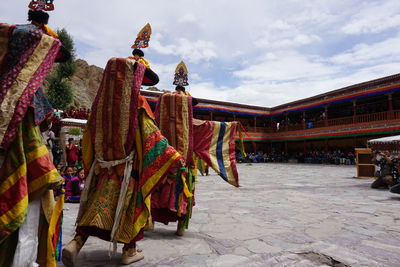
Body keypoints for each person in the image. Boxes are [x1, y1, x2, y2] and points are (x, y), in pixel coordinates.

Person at [62, 55, 183, 265]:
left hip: (103, 170)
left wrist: (92, 166)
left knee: (95, 208)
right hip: (128, 171)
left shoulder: (99, 105)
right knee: (130, 208)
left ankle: (77, 242)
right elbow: (150, 135)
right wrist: (173, 156)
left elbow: (89, 139)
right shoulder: (136, 103)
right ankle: (129, 250)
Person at [0, 1, 71, 266]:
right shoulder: (25, 102)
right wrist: (52, 175)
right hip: (20, 164)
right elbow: (33, 147)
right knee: (28, 229)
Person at [151, 61, 240, 237]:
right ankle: (180, 228)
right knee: (183, 194)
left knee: (154, 192)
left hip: (160, 168)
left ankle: (150, 222)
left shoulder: (156, 124)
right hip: (184, 168)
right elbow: (211, 129)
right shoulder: (193, 125)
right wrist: (230, 126)